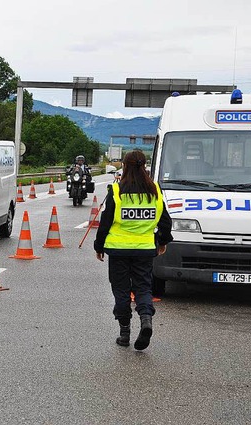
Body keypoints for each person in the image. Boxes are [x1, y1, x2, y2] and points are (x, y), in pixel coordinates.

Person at [94, 150, 173, 351]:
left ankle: (124, 333)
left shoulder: (117, 191)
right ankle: (146, 319)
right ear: (144, 165)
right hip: (145, 250)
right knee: (143, 288)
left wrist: (99, 246)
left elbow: (105, 221)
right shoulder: (154, 190)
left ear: (125, 166)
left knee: (120, 290)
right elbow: (165, 221)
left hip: (118, 250)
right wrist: (163, 241)